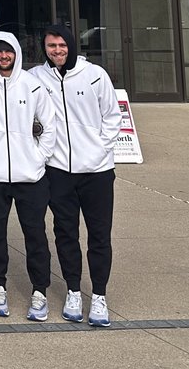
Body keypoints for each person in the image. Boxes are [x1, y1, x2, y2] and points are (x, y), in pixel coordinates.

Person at [30, 24, 122, 327]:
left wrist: (99, 150)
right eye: (51, 46)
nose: (57, 51)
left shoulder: (94, 74)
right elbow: (6, 83)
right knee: (65, 233)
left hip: (97, 172)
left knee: (99, 235)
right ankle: (72, 290)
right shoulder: (35, 77)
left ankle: (99, 295)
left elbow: (112, 116)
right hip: (58, 172)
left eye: (62, 45)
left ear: (71, 46)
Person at [0, 31, 58, 321]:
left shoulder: (32, 85)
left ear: (16, 53)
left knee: (35, 235)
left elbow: (50, 125)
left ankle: (39, 291)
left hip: (30, 177)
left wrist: (38, 156)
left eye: (8, 50)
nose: (3, 56)